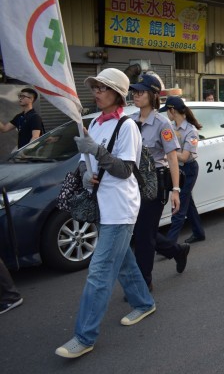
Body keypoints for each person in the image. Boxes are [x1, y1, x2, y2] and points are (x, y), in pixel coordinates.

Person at [56, 68, 155, 359]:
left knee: (99, 272)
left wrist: (97, 152)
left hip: (120, 208)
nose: (96, 92)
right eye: (96, 87)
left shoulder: (127, 126)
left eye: (102, 88)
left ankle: (84, 336)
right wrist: (88, 175)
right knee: (123, 262)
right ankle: (144, 302)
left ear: (117, 94)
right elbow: (94, 166)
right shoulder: (96, 123)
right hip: (102, 205)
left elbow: (125, 170)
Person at [129, 74, 189, 291]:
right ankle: (177, 251)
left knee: (144, 236)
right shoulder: (132, 120)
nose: (136, 95)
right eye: (134, 91)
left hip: (155, 183)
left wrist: (175, 190)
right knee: (143, 231)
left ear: (153, 95)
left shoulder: (162, 123)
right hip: (133, 183)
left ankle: (143, 283)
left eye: (141, 92)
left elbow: (172, 157)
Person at [161, 96, 206, 244]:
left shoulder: (191, 131)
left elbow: (186, 157)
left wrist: (169, 153)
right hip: (177, 170)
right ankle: (199, 233)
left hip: (188, 170)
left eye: (167, 110)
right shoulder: (171, 127)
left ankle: (169, 244)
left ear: (172, 110)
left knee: (179, 204)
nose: (166, 114)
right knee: (188, 202)